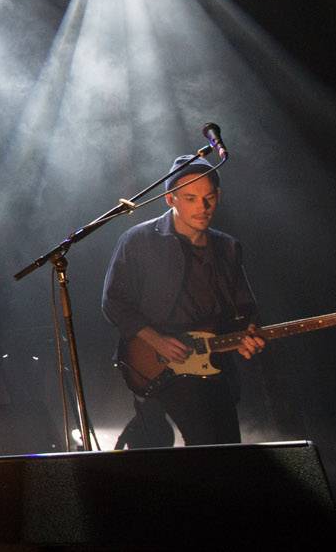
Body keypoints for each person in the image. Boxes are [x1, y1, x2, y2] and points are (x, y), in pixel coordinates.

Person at [101, 155, 263, 449]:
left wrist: (247, 333)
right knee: (195, 447)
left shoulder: (227, 247)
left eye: (209, 198)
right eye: (190, 198)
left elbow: (244, 308)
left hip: (212, 363)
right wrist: (156, 340)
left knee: (227, 452)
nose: (202, 207)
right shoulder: (138, 240)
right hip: (156, 361)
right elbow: (114, 302)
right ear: (169, 199)